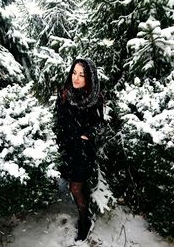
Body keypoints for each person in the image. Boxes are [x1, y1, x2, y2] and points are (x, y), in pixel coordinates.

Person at [54, 58, 104, 244]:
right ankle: (85, 206)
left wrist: (87, 134)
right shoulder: (65, 94)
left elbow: (99, 124)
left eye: (82, 75)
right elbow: (60, 121)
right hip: (68, 149)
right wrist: (73, 134)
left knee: (75, 188)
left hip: (84, 151)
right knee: (74, 184)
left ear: (90, 77)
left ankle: (85, 220)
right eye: (74, 73)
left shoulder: (95, 97)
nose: (76, 78)